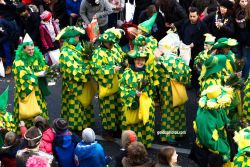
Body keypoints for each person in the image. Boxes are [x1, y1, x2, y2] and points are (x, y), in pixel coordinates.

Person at [57, 26, 95, 132]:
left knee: (84, 105)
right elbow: (74, 73)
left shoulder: (78, 47)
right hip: (73, 87)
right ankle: (76, 129)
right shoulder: (65, 53)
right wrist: (88, 71)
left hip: (83, 85)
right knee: (76, 106)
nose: (79, 38)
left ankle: (85, 123)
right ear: (71, 38)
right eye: (77, 37)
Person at [154, 36, 191, 144]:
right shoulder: (178, 59)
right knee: (179, 111)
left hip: (166, 91)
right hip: (178, 89)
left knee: (168, 113)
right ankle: (179, 132)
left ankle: (168, 136)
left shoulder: (162, 59)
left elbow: (156, 76)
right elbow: (186, 77)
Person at [119, 50, 157, 148]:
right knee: (133, 126)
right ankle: (132, 146)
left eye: (142, 60)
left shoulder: (148, 72)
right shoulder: (127, 73)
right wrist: (133, 93)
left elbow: (152, 88)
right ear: (134, 60)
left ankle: (144, 144)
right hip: (132, 105)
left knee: (144, 125)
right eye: (138, 60)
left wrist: (145, 96)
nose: (140, 62)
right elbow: (122, 89)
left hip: (145, 105)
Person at [12, 33, 49, 129]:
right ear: (23, 49)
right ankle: (27, 130)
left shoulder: (36, 57)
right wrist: (38, 74)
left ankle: (41, 127)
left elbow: (43, 66)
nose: (31, 52)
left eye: (32, 49)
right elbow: (24, 77)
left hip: (37, 91)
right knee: (27, 112)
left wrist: (47, 70)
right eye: (29, 50)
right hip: (26, 92)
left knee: (39, 109)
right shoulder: (18, 62)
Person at [191, 85, 233, 166]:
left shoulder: (217, 108)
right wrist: (224, 148)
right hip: (212, 150)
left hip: (220, 142)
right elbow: (207, 140)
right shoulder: (205, 117)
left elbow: (223, 118)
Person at [91, 30, 120, 140]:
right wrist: (112, 69)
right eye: (110, 43)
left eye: (113, 43)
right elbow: (95, 70)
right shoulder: (98, 53)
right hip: (106, 86)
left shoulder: (112, 49)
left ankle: (116, 129)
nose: (112, 45)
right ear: (104, 42)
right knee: (107, 110)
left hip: (116, 85)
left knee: (117, 108)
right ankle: (108, 131)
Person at [180, 7, 208, 89]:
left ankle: (195, 85)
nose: (192, 18)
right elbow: (182, 33)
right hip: (186, 49)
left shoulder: (202, 25)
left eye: (194, 16)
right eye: (190, 16)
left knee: (195, 68)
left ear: (198, 16)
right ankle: (187, 83)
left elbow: (205, 37)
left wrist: (195, 43)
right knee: (187, 66)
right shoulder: (186, 22)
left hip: (196, 50)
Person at [234, 0, 250, 80]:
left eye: (245, 1)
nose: (243, 3)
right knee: (238, 58)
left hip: (247, 42)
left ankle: (244, 79)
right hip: (239, 40)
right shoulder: (238, 11)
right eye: (242, 1)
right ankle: (236, 78)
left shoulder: (249, 12)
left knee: (246, 60)